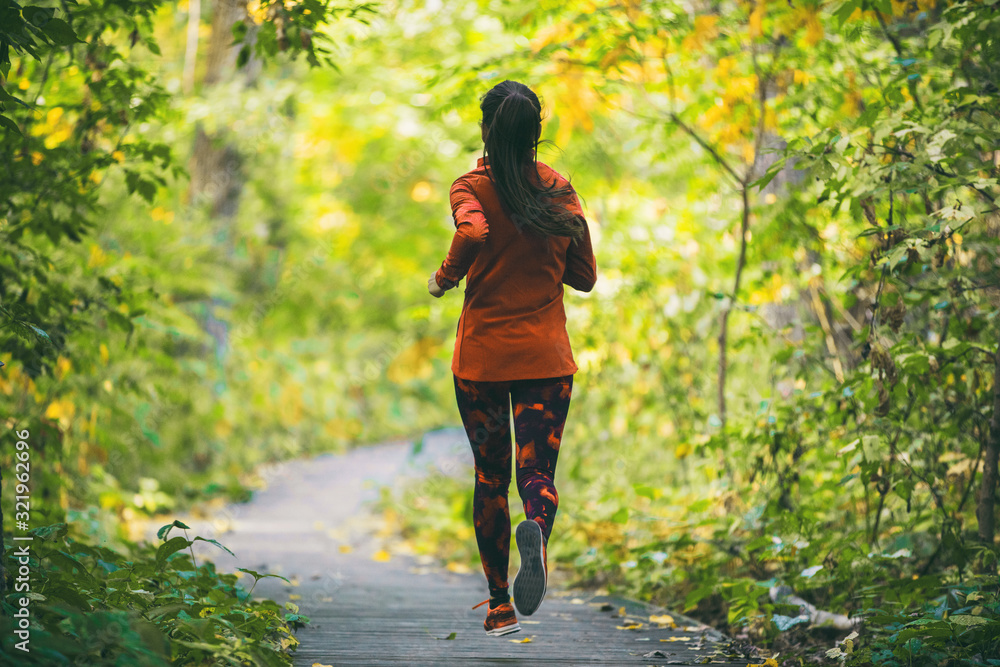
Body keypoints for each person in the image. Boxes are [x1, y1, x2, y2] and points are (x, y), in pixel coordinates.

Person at [426, 80, 597, 637]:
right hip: (546, 360)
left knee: (489, 476)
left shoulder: (470, 187)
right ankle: (538, 535)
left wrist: (446, 277)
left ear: (485, 129)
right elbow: (585, 277)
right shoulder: (559, 190)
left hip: (480, 363)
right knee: (535, 474)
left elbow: (473, 229)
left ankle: (500, 606)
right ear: (536, 134)